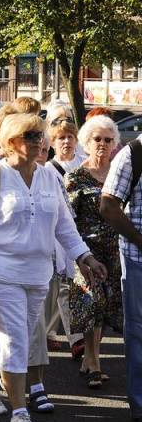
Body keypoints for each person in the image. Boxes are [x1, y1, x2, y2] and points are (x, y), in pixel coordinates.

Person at [0, 113, 106, 422]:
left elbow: (65, 226)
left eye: (41, 135)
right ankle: (20, 413)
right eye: (31, 136)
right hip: (1, 272)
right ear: (12, 141)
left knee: (20, 341)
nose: (40, 141)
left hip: (39, 274)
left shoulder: (48, 177)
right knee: (14, 340)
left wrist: (85, 256)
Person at [65, 116, 123, 388]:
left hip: (114, 251)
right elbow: (67, 220)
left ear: (115, 144)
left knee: (105, 307)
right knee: (92, 303)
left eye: (108, 140)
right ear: (86, 142)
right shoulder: (75, 177)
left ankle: (89, 359)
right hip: (86, 251)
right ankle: (95, 364)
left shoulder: (120, 174)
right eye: (96, 139)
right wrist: (78, 256)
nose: (102, 144)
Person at [100, 128, 142, 422]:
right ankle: (140, 401)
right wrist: (140, 241)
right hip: (138, 259)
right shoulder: (132, 155)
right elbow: (108, 206)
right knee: (139, 331)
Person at [44, 119, 87, 357]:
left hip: (82, 230)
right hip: (58, 233)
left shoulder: (84, 164)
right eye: (61, 137)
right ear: (53, 142)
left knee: (68, 285)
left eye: (70, 137)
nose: (67, 141)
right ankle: (75, 337)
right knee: (62, 285)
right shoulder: (48, 170)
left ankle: (59, 334)